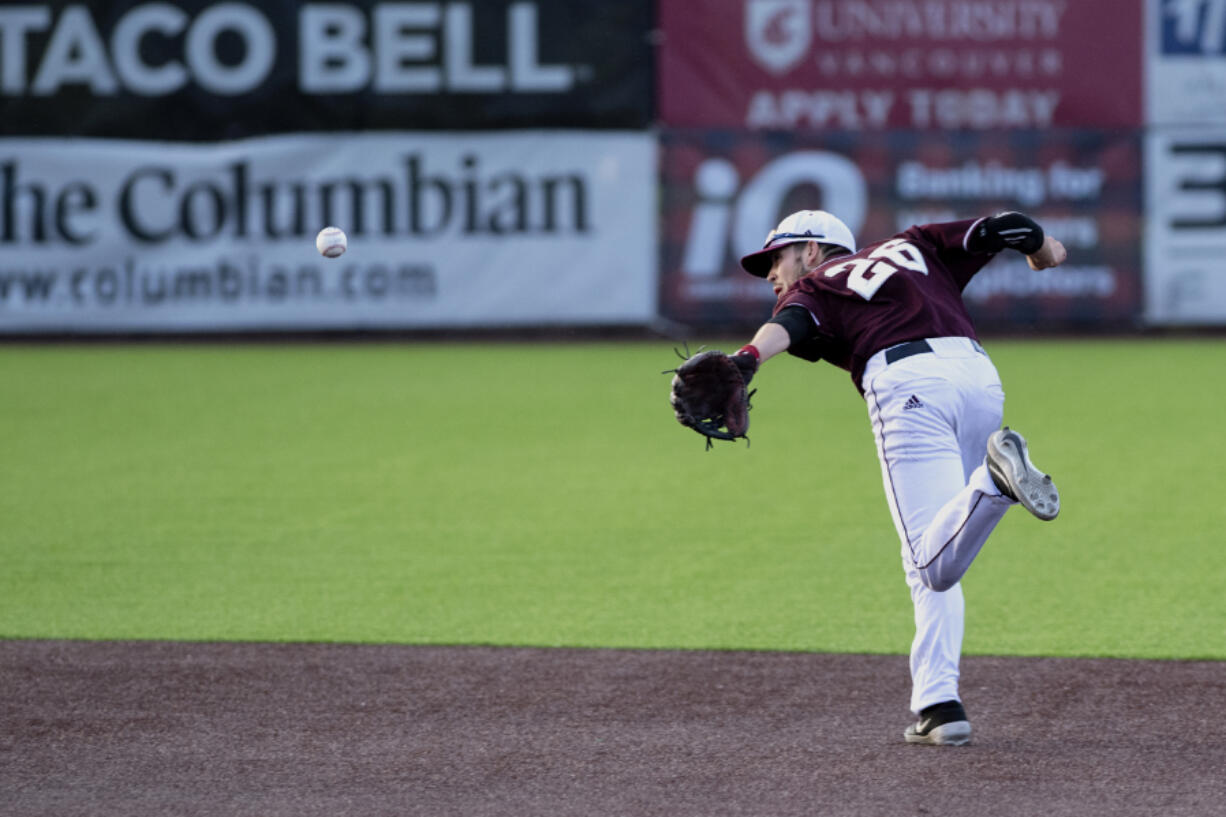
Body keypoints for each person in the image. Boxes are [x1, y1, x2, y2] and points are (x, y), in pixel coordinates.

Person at [725, 209, 1066, 746]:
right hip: (978, 377)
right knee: (932, 546)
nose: (771, 271)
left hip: (909, 385)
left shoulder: (816, 284)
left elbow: (790, 325)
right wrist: (1043, 247)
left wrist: (746, 358)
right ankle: (938, 705)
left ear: (812, 250)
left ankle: (995, 483)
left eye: (778, 256)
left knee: (931, 564)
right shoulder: (916, 245)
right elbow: (1006, 224)